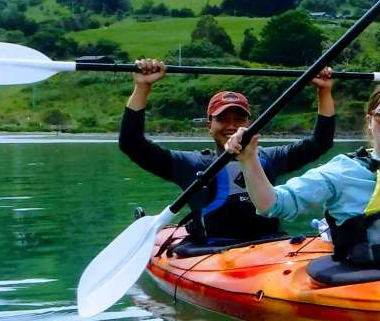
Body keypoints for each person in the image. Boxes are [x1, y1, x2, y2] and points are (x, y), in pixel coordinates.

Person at [227, 83, 380, 271]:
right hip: (363, 280)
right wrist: (249, 160)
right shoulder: (342, 171)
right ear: (369, 121)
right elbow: (272, 204)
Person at [119, 58, 335, 246]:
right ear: (209, 125)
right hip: (213, 252)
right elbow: (132, 144)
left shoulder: (270, 158)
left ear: (250, 123)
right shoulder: (191, 164)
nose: (231, 126)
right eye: (222, 119)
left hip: (269, 246)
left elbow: (320, 142)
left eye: (239, 119)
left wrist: (323, 91)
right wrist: (142, 87)